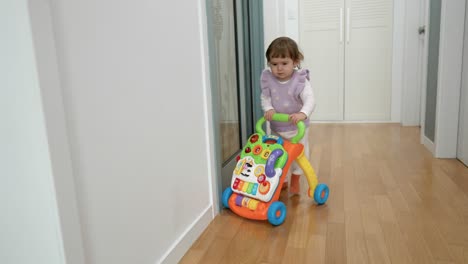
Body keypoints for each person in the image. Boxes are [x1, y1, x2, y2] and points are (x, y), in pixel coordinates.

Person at [260, 36, 316, 195]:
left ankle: (296, 179)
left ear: (296, 61)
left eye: (284, 63)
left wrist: (302, 113)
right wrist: (269, 108)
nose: (279, 68)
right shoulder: (268, 79)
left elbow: (310, 99)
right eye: (274, 64)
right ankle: (282, 179)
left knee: (299, 154)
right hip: (277, 127)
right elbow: (265, 97)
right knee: (277, 153)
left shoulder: (300, 80)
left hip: (297, 128)